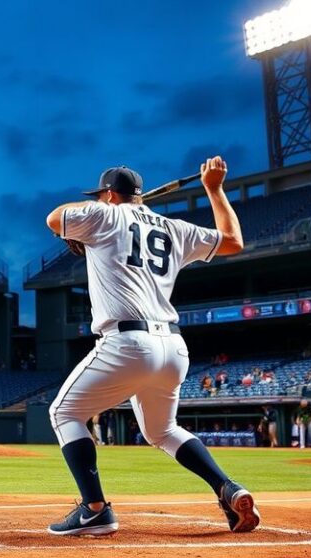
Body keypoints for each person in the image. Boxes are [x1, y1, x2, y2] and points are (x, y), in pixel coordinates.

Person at [44, 157, 259, 536]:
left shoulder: (104, 215)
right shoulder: (175, 228)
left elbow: (53, 218)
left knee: (64, 414)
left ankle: (95, 510)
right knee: (163, 431)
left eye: (101, 195)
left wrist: (99, 212)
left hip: (127, 342)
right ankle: (227, 487)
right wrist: (213, 188)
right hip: (173, 347)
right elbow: (233, 242)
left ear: (110, 194)